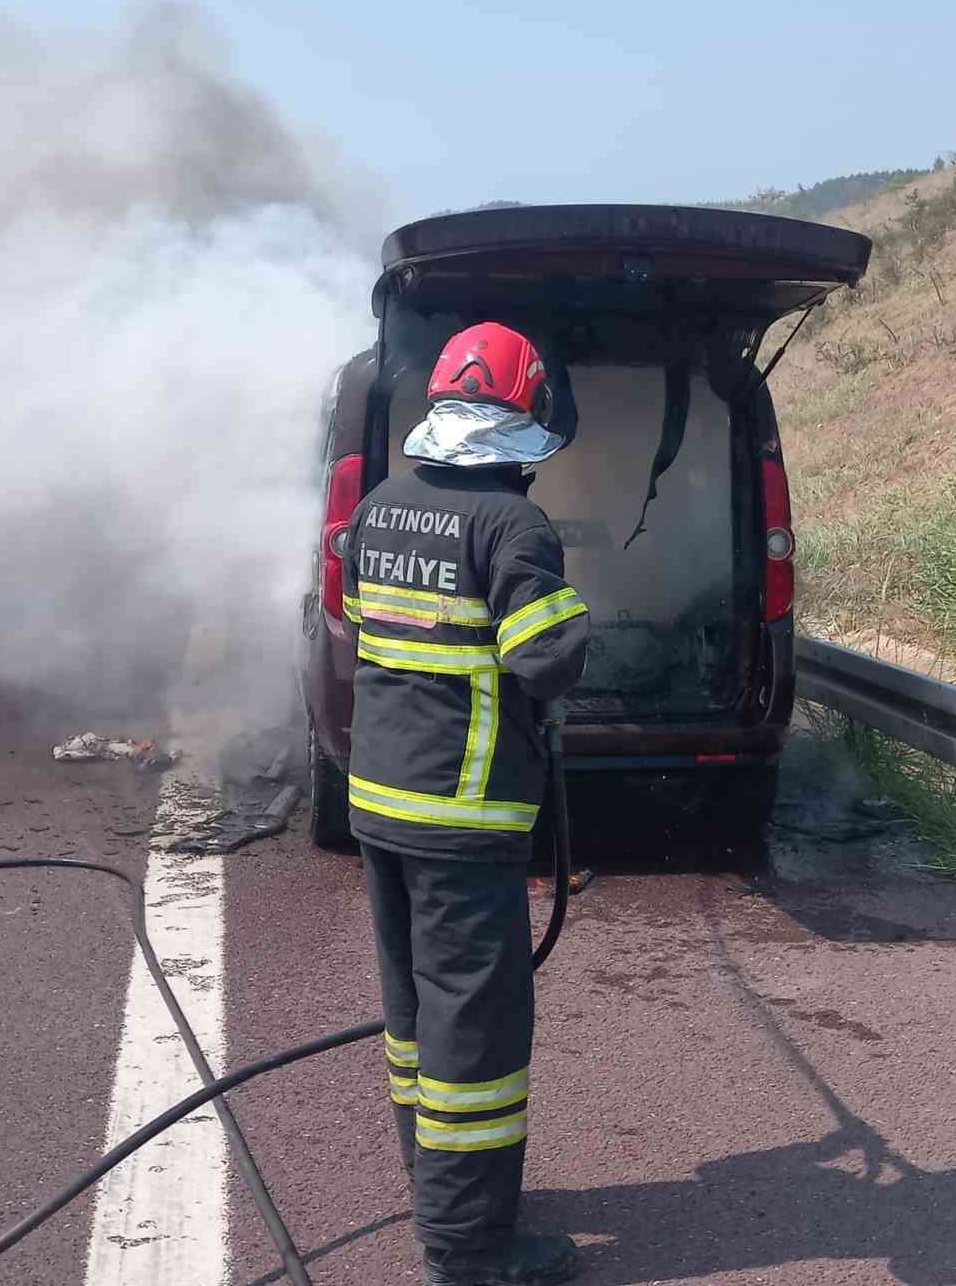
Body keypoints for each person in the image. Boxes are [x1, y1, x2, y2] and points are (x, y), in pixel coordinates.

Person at [342, 322, 590, 1286]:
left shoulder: (378, 510)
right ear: (522, 414)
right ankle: (471, 1249)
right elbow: (544, 655)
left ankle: (437, 1184)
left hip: (380, 804)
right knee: (473, 1037)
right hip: (464, 819)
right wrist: (572, 618)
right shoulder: (514, 525)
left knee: (412, 1016)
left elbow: (369, 626)